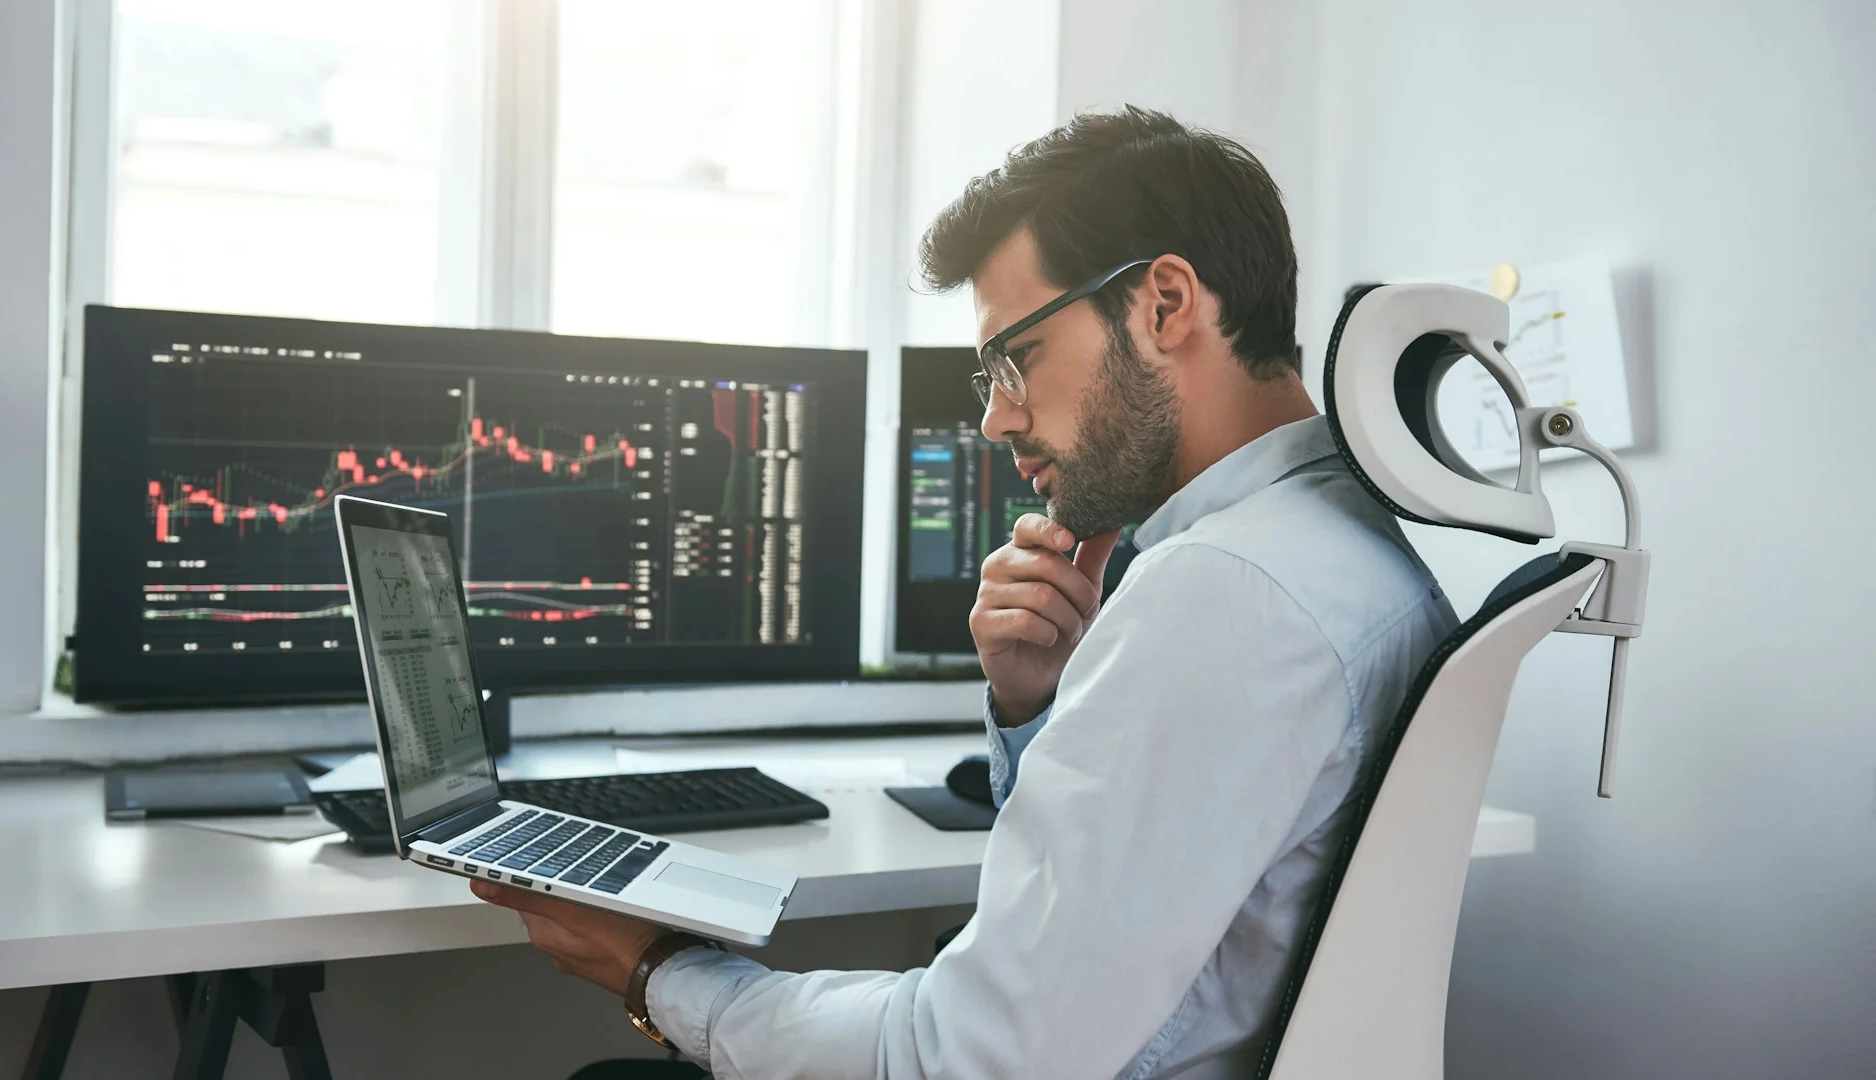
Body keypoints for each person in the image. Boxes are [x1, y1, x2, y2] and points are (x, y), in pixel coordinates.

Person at [473, 106, 1458, 1080]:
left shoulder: (1222, 594)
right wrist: (1039, 702)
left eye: (1015, 358)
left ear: (1164, 304)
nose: (995, 419)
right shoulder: (1347, 554)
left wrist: (658, 974)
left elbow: (963, 1061)